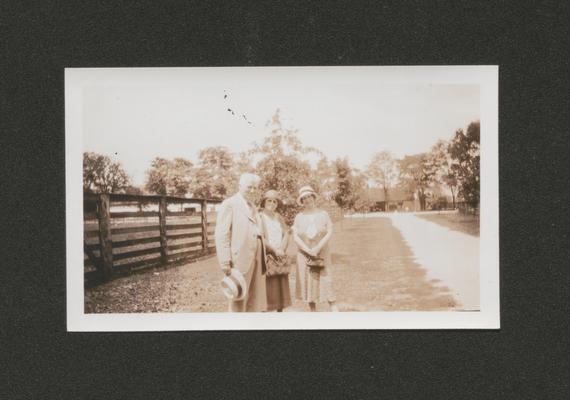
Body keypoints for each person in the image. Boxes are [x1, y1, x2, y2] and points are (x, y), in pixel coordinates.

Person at [214, 173, 267, 312]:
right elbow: (221, 234)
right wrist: (225, 261)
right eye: (249, 187)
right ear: (240, 186)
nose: (252, 190)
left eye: (255, 188)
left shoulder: (253, 207)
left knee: (254, 301)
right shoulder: (230, 204)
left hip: (256, 259)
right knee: (238, 299)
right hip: (240, 260)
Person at [292, 186, 339, 312]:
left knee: (326, 278)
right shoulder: (299, 217)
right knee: (309, 281)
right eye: (304, 198)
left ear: (313, 197)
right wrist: (308, 250)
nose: (307, 200)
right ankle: (313, 310)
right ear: (301, 201)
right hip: (304, 254)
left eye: (309, 196)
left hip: (322, 251)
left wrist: (318, 247)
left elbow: (329, 231)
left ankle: (333, 306)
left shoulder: (323, 214)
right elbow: (295, 236)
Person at [259, 190, 292, 312]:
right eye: (269, 200)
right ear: (264, 202)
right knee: (269, 287)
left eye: (274, 201)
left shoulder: (278, 217)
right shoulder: (260, 217)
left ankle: (280, 313)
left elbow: (287, 233)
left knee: (280, 287)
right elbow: (261, 237)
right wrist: (274, 250)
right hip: (267, 256)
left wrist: (281, 249)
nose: (272, 203)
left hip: (280, 255)